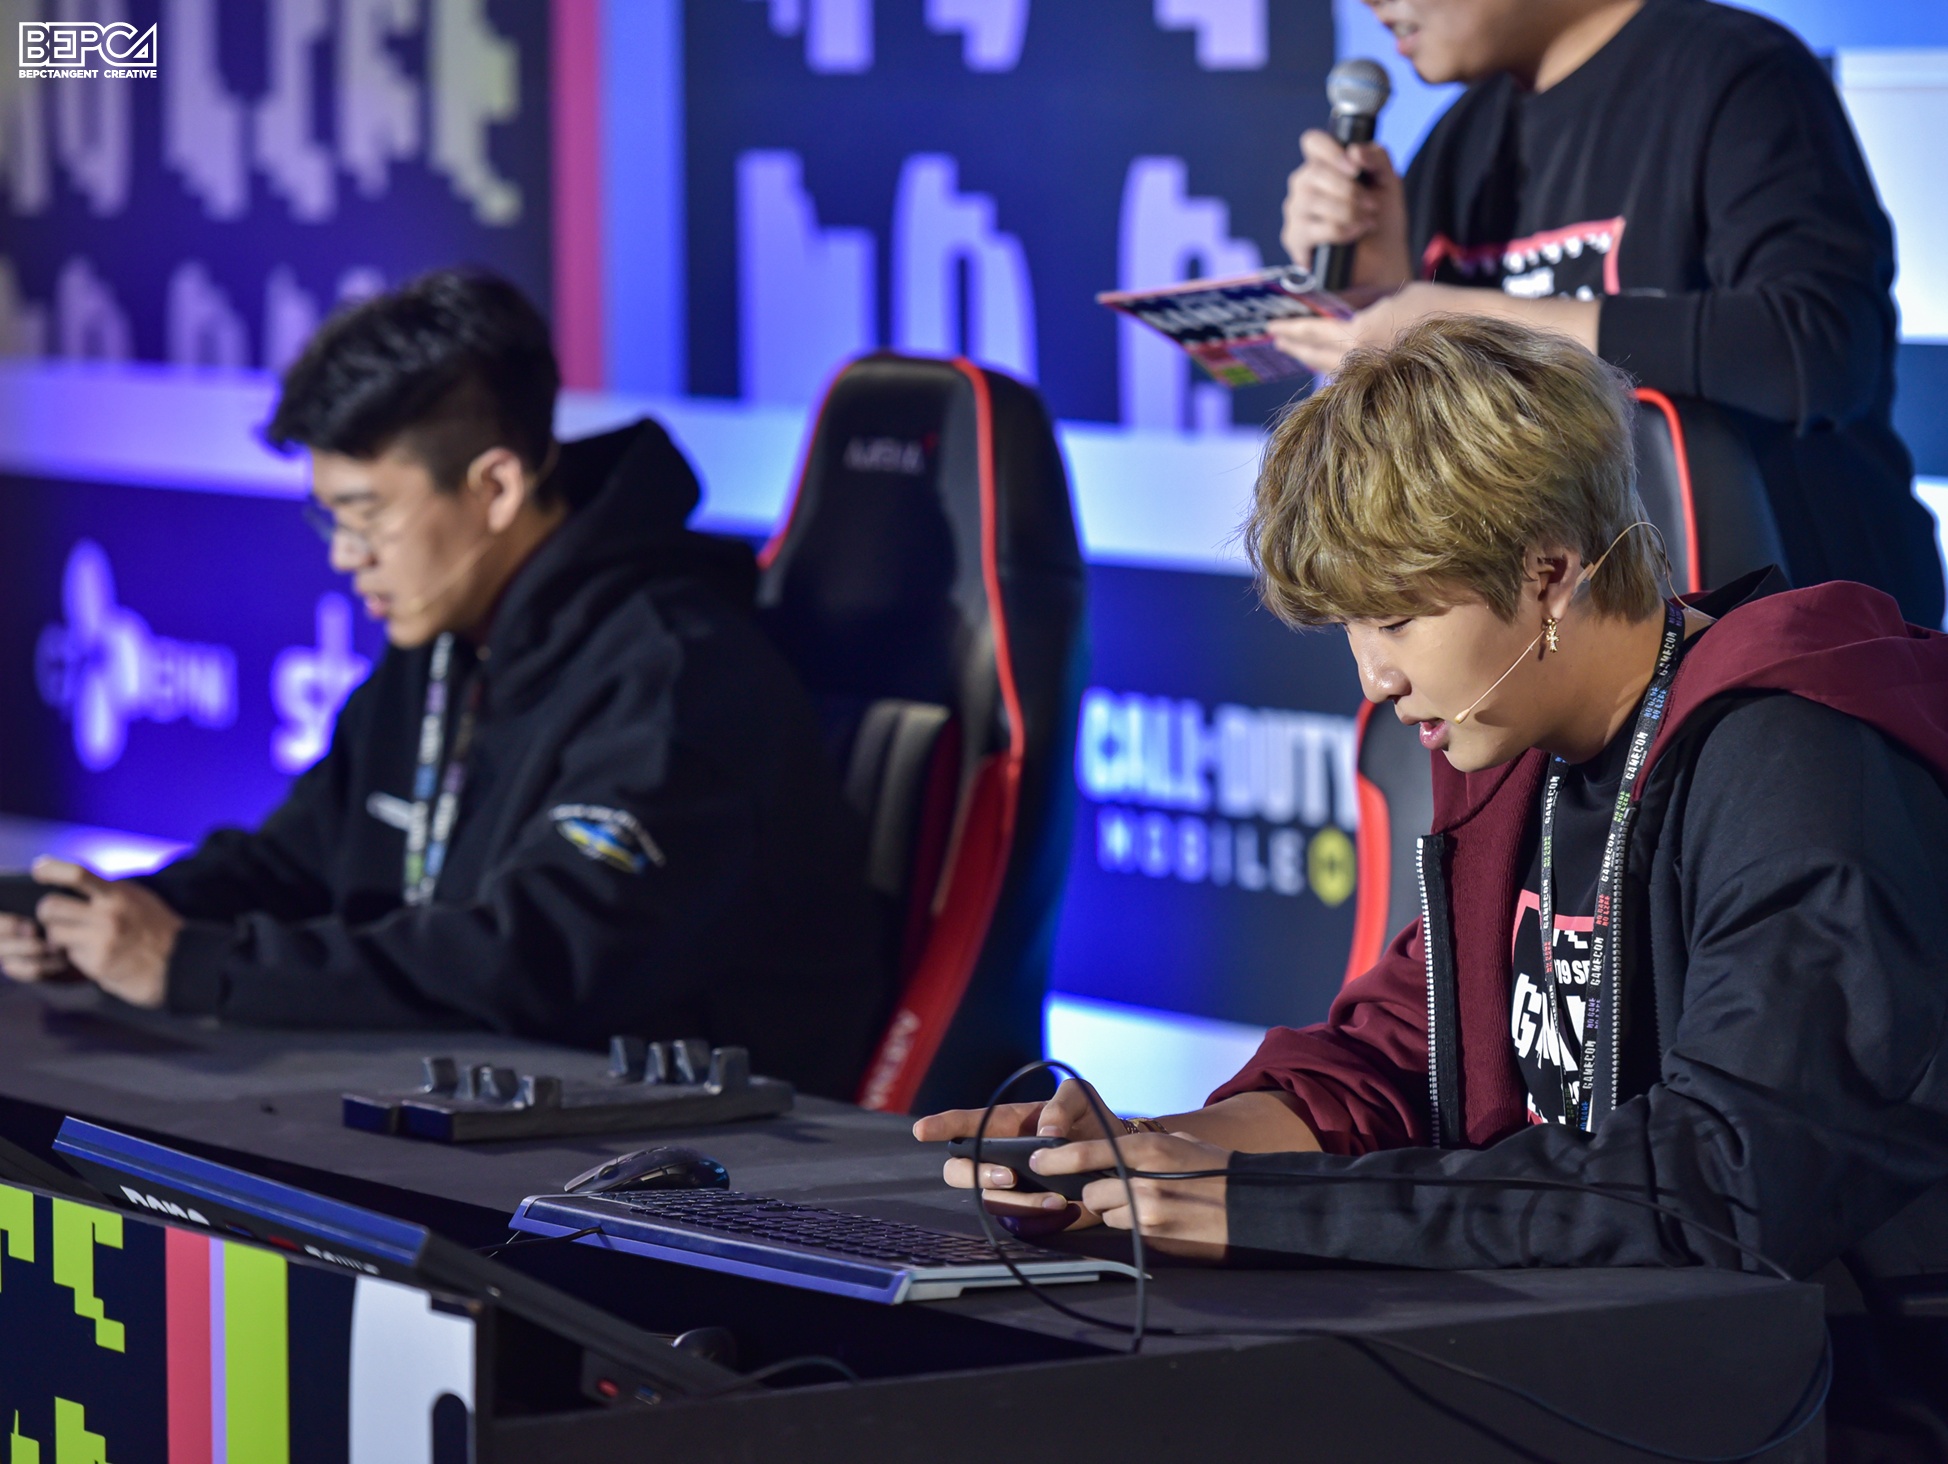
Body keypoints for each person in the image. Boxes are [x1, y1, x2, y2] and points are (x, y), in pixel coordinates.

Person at [915, 316, 1948, 1452]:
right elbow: (1397, 1057)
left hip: (1841, 1402)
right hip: (1616, 1366)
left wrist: (1274, 1213)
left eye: (1397, 617)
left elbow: (1732, 1181)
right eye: (1353, 624)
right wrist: (1146, 1159)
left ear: (1549, 574)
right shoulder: (1517, 757)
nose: (1373, 674)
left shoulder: (1800, 761)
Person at [0, 269, 889, 1099]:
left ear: (494, 487)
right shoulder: (447, 634)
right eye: (331, 520)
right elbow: (299, 860)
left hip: (680, 1164)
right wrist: (108, 920)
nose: (346, 557)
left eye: (367, 516)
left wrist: (198, 968)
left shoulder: (681, 679)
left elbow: (533, 964)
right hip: (490, 1115)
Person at [1270, 0, 1945, 630]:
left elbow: (1815, 350)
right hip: (1565, 659)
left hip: (1789, 649)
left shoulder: (1736, 71)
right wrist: (1386, 290)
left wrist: (1462, 320)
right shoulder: (1458, 143)